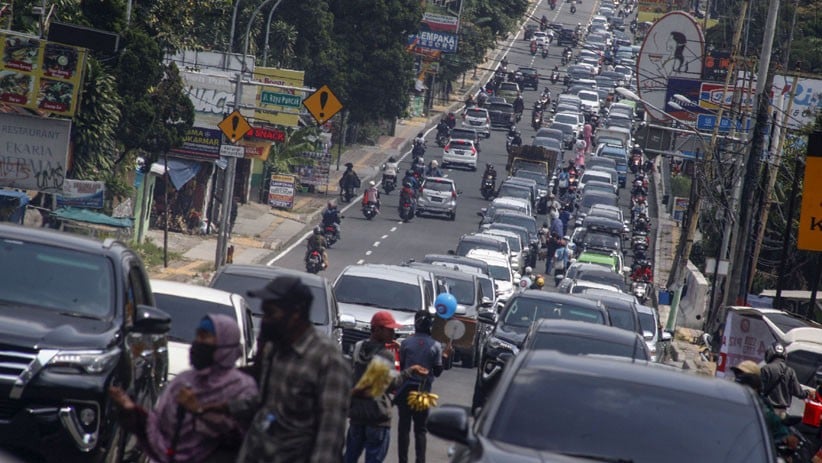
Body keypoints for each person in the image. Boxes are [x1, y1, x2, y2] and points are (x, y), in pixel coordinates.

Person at [186, 277, 351, 463]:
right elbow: (265, 403)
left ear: (295, 314)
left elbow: (329, 437)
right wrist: (214, 407)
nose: (265, 321)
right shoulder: (275, 349)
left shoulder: (328, 361)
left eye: (271, 314)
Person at [108, 314, 258, 463]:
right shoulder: (184, 382)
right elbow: (160, 431)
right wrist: (132, 412)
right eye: (198, 336)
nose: (198, 342)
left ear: (226, 344)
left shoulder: (241, 388)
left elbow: (242, 438)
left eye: (205, 337)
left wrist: (200, 411)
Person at [345, 311, 429, 463]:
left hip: (357, 416)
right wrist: (410, 371)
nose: (393, 332)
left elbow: (354, 377)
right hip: (377, 417)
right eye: (389, 329)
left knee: (350, 457)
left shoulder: (358, 347)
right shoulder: (385, 355)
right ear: (376, 329)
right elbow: (387, 386)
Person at [395, 310, 452, 463]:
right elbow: (438, 371)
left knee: (403, 429)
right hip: (423, 390)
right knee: (420, 430)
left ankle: (403, 460)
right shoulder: (436, 345)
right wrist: (446, 356)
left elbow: (401, 369)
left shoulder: (406, 343)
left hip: (405, 391)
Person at [731, 361, 798, 452]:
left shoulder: (758, 402)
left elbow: (772, 421)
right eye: (737, 374)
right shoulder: (728, 397)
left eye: (743, 375)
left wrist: (786, 437)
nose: (739, 378)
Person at [761, 343, 813, 418]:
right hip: (782, 413)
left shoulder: (765, 369)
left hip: (766, 409)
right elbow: (799, 393)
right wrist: (808, 393)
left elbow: (760, 390)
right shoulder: (790, 371)